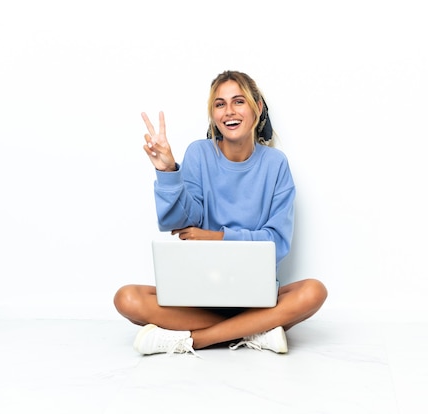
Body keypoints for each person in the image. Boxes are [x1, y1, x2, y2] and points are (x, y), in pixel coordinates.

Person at [113, 70, 328, 356]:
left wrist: (215, 237)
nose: (229, 111)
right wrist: (167, 172)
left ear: (257, 107)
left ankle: (195, 340)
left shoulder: (275, 164)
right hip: (198, 295)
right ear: (213, 114)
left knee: (314, 291)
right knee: (127, 298)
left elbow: (275, 242)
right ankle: (255, 331)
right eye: (220, 104)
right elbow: (179, 223)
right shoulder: (200, 154)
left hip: (256, 297)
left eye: (238, 101)